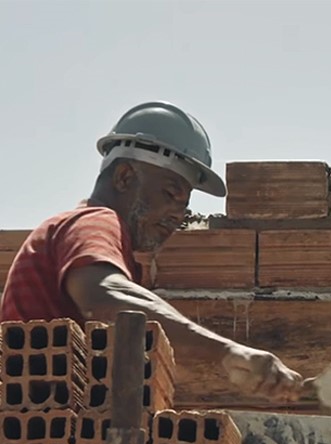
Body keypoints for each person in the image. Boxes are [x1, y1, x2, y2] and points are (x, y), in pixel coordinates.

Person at [0, 101, 303, 402]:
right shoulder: (94, 221)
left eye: (184, 206)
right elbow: (105, 297)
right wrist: (229, 351)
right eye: (170, 194)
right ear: (124, 177)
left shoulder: (96, 241)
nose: (176, 214)